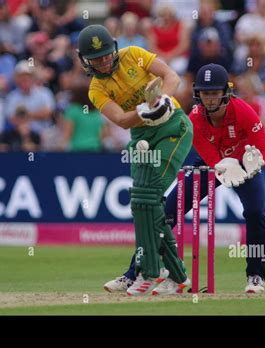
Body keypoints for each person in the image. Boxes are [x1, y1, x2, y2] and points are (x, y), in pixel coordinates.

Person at [106, 64, 265, 295]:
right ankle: (133, 273)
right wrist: (221, 166)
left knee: (256, 214)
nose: (211, 99)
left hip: (245, 167)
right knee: (165, 213)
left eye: (215, 93)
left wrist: (257, 163)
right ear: (198, 94)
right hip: (211, 164)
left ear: (226, 91)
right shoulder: (194, 117)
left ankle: (255, 276)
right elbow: (211, 157)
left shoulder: (244, 112)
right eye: (206, 93)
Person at [78, 24, 193, 296]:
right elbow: (119, 119)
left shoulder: (133, 54)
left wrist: (163, 100)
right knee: (141, 201)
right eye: (96, 58)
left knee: (150, 196)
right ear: (85, 60)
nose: (104, 61)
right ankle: (172, 274)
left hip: (172, 127)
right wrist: (144, 112)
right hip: (141, 136)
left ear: (114, 48)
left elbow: (171, 76)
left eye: (107, 54)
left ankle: (151, 271)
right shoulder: (96, 89)